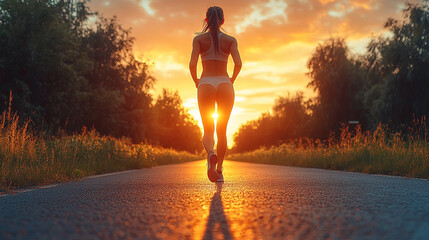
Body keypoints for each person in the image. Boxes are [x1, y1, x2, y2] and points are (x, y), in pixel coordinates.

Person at [189, 6, 242, 182]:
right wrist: (231, 79)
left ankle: (211, 153)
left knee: (208, 128)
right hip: (225, 83)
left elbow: (191, 65)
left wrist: (197, 81)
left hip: (206, 83)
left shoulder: (199, 40)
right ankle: (219, 170)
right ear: (223, 21)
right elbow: (238, 63)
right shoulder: (230, 40)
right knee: (222, 130)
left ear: (206, 20)